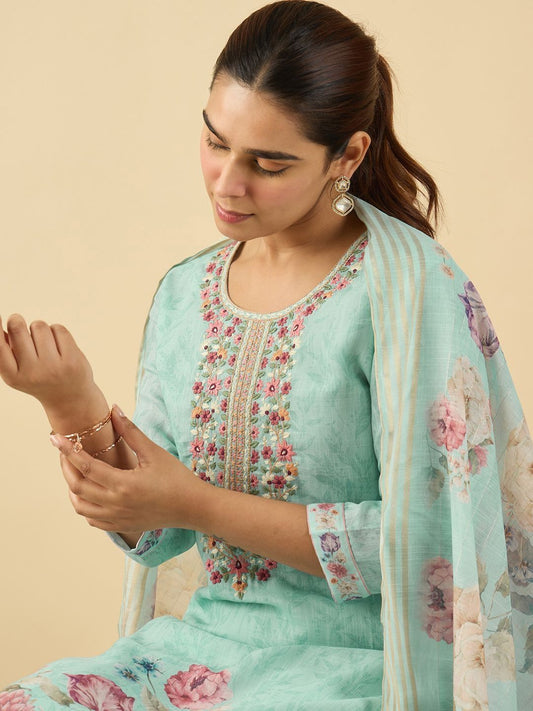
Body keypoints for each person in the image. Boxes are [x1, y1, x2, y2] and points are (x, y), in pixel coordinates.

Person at [1, 1, 531, 709]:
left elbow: (435, 542)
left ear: (347, 156)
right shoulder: (186, 292)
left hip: (363, 669)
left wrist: (197, 502)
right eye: (214, 141)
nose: (227, 182)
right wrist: (71, 402)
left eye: (268, 163)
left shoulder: (409, 292)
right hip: (194, 657)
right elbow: (156, 534)